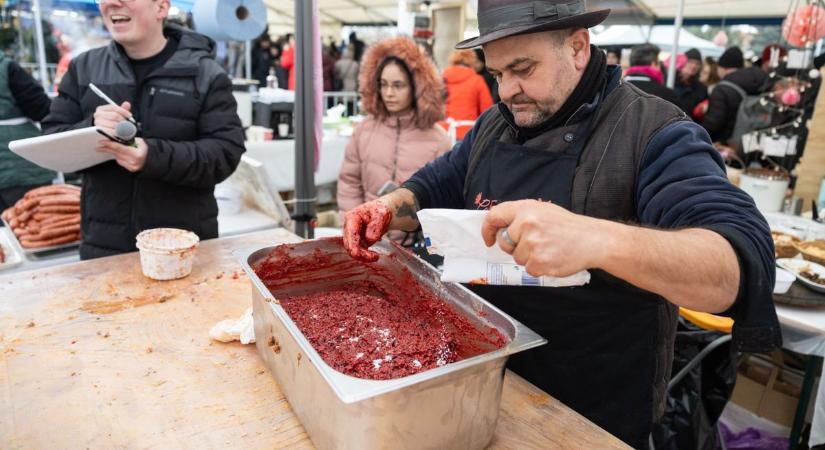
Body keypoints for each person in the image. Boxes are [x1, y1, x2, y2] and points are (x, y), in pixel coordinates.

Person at [341, 1, 780, 447]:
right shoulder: (495, 123)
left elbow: (734, 265)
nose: (507, 90)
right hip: (481, 382)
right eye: (497, 74)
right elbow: (436, 183)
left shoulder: (654, 132)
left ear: (577, 47)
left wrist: (595, 238)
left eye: (523, 68)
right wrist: (391, 205)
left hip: (588, 412)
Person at [41, 0, 245, 259]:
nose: (112, 3)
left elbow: (225, 153)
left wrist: (152, 156)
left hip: (182, 247)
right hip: (104, 249)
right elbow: (51, 138)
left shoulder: (204, 74)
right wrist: (91, 127)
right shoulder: (83, 68)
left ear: (161, 8)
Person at [337, 36, 451, 245]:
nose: (389, 93)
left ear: (417, 86)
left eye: (398, 85)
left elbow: (443, 199)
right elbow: (349, 183)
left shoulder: (438, 139)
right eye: (383, 84)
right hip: (365, 242)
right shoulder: (363, 130)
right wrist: (353, 227)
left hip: (415, 249)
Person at [0, 55, 56, 211]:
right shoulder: (7, 67)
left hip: (17, 169)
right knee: (30, 226)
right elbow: (42, 110)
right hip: (20, 169)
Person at [701, 46, 768, 145]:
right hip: (751, 143)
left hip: (724, 144)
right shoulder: (758, 82)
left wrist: (697, 133)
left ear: (723, 67)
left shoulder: (722, 89)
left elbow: (714, 122)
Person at [442, 49, 494, 140]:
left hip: (443, 132)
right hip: (467, 133)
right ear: (472, 61)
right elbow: (487, 111)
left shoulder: (442, 78)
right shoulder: (477, 80)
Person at [674, 48, 708, 116]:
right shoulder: (671, 81)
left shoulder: (701, 88)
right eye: (690, 62)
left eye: (697, 63)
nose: (694, 66)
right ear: (683, 61)